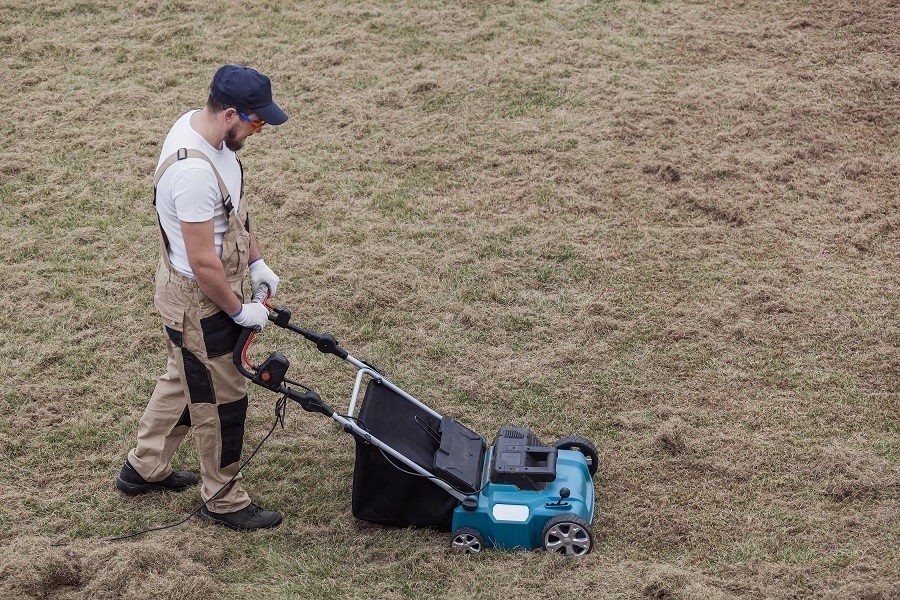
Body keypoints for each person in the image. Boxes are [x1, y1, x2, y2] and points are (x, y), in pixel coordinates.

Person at [116, 65, 287, 531]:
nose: (260, 131)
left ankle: (145, 464)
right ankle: (224, 498)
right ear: (230, 112)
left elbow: (233, 217)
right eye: (257, 123)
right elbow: (203, 263)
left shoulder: (211, 133)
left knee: (185, 378)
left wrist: (255, 263)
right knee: (221, 399)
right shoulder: (192, 172)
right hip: (199, 299)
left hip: (205, 290)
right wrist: (240, 310)